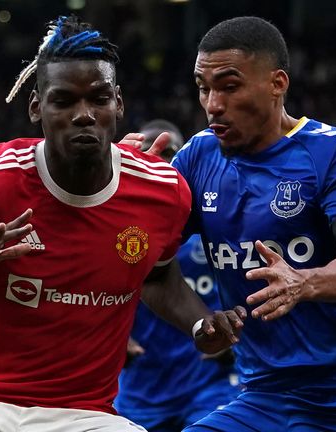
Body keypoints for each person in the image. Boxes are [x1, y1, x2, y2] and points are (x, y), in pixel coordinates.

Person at [0, 16, 245, 432]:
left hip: (82, 415)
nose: (83, 115)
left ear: (118, 103)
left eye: (97, 99)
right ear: (36, 106)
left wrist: (201, 323)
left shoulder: (163, 190)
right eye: (63, 101)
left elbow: (158, 277)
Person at [145, 16, 336, 431]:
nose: (212, 104)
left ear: (277, 83)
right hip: (262, 396)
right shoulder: (196, 158)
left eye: (229, 86)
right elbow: (151, 269)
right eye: (203, 87)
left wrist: (304, 282)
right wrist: (198, 320)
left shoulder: (329, 151)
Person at [115, 120, 240, 432]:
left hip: (206, 383)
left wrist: (237, 338)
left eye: (172, 154)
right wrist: (115, 338)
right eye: (150, 153)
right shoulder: (117, 233)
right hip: (141, 385)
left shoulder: (215, 228)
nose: (164, 162)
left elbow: (250, 290)